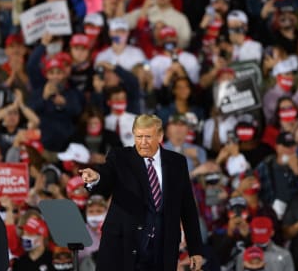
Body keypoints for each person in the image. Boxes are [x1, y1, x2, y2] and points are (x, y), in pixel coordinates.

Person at [79, 114, 204, 271]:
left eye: (148, 137)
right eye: (138, 137)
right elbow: (106, 175)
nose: (143, 142)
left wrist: (196, 250)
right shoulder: (120, 157)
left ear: (160, 136)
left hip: (162, 248)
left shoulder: (177, 162)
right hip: (122, 245)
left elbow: (188, 208)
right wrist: (96, 177)